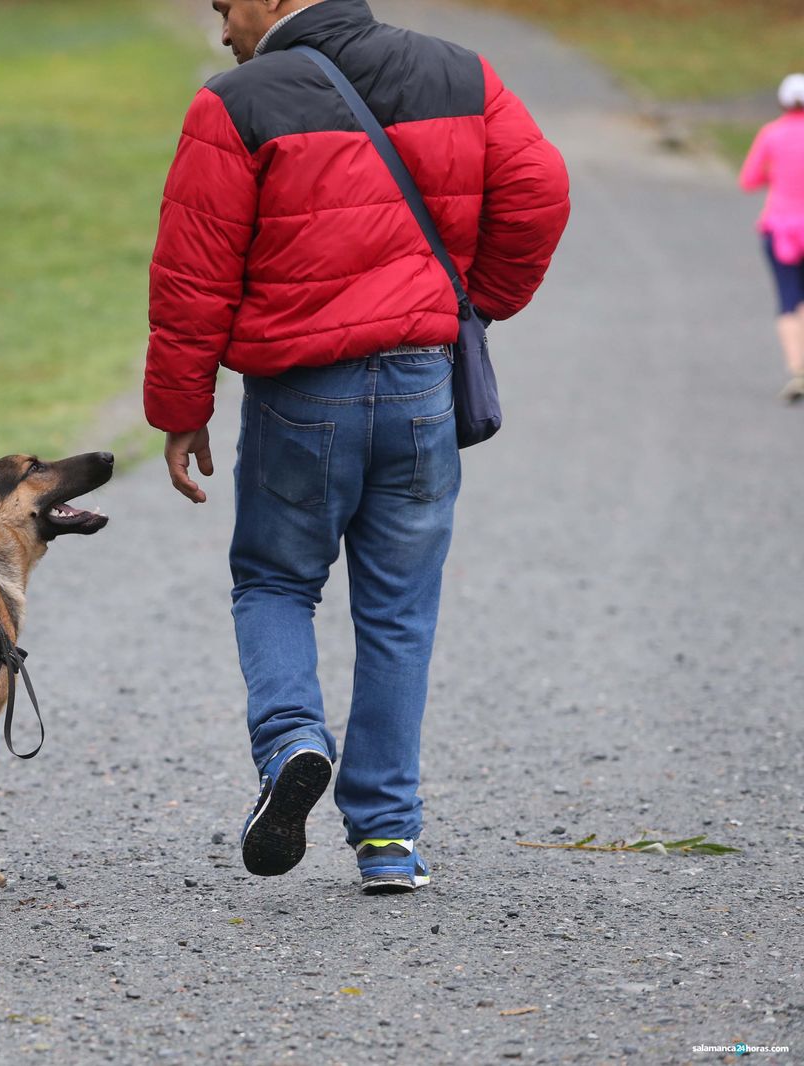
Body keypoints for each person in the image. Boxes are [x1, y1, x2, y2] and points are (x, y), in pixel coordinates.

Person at [145, 0, 569, 893]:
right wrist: (470, 306)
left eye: (224, 7)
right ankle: (388, 840)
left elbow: (195, 269)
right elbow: (541, 190)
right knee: (399, 610)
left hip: (302, 395)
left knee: (273, 579)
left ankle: (294, 741)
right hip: (422, 385)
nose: (222, 30)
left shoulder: (233, 104)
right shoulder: (464, 73)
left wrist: (182, 407)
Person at [740, 73, 804, 403]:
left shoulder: (772, 134)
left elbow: (749, 179)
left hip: (781, 228)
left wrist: (776, 174)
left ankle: (797, 371)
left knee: (788, 299)